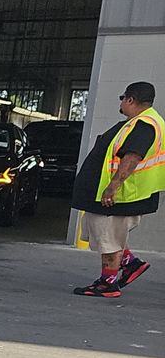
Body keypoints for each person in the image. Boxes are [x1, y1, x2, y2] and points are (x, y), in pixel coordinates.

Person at [72, 81, 163, 297]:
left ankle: (108, 283)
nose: (121, 102)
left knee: (109, 237)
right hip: (115, 194)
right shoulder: (136, 123)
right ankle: (130, 263)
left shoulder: (144, 125)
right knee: (103, 233)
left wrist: (112, 187)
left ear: (130, 99)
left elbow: (132, 157)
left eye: (122, 98)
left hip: (121, 196)